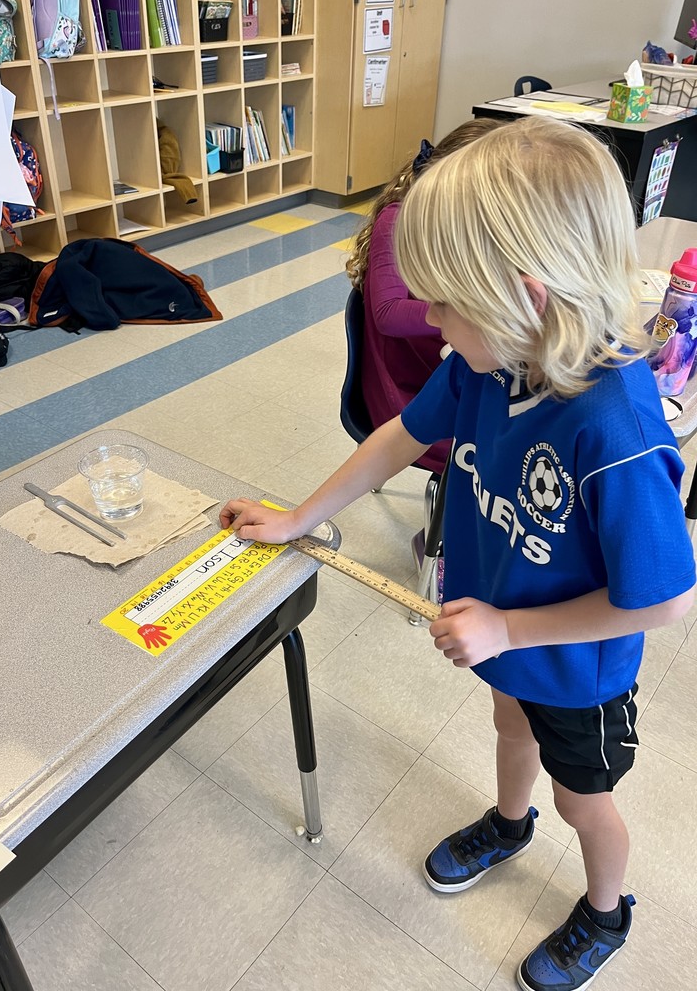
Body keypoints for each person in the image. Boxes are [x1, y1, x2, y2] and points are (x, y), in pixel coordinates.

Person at [220, 115, 696, 991]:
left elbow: (665, 601)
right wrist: (297, 518)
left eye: (445, 303)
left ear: (527, 296)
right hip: (504, 640)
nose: (431, 325)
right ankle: (508, 825)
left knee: (581, 800)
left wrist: (511, 630)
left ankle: (607, 911)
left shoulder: (615, 430)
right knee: (505, 725)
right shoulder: (489, 362)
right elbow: (400, 437)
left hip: (575, 671)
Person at [346, 119, 504, 473]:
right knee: (503, 441)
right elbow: (387, 313)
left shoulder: (464, 222)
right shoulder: (398, 219)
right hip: (407, 386)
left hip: (449, 363)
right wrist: (475, 316)